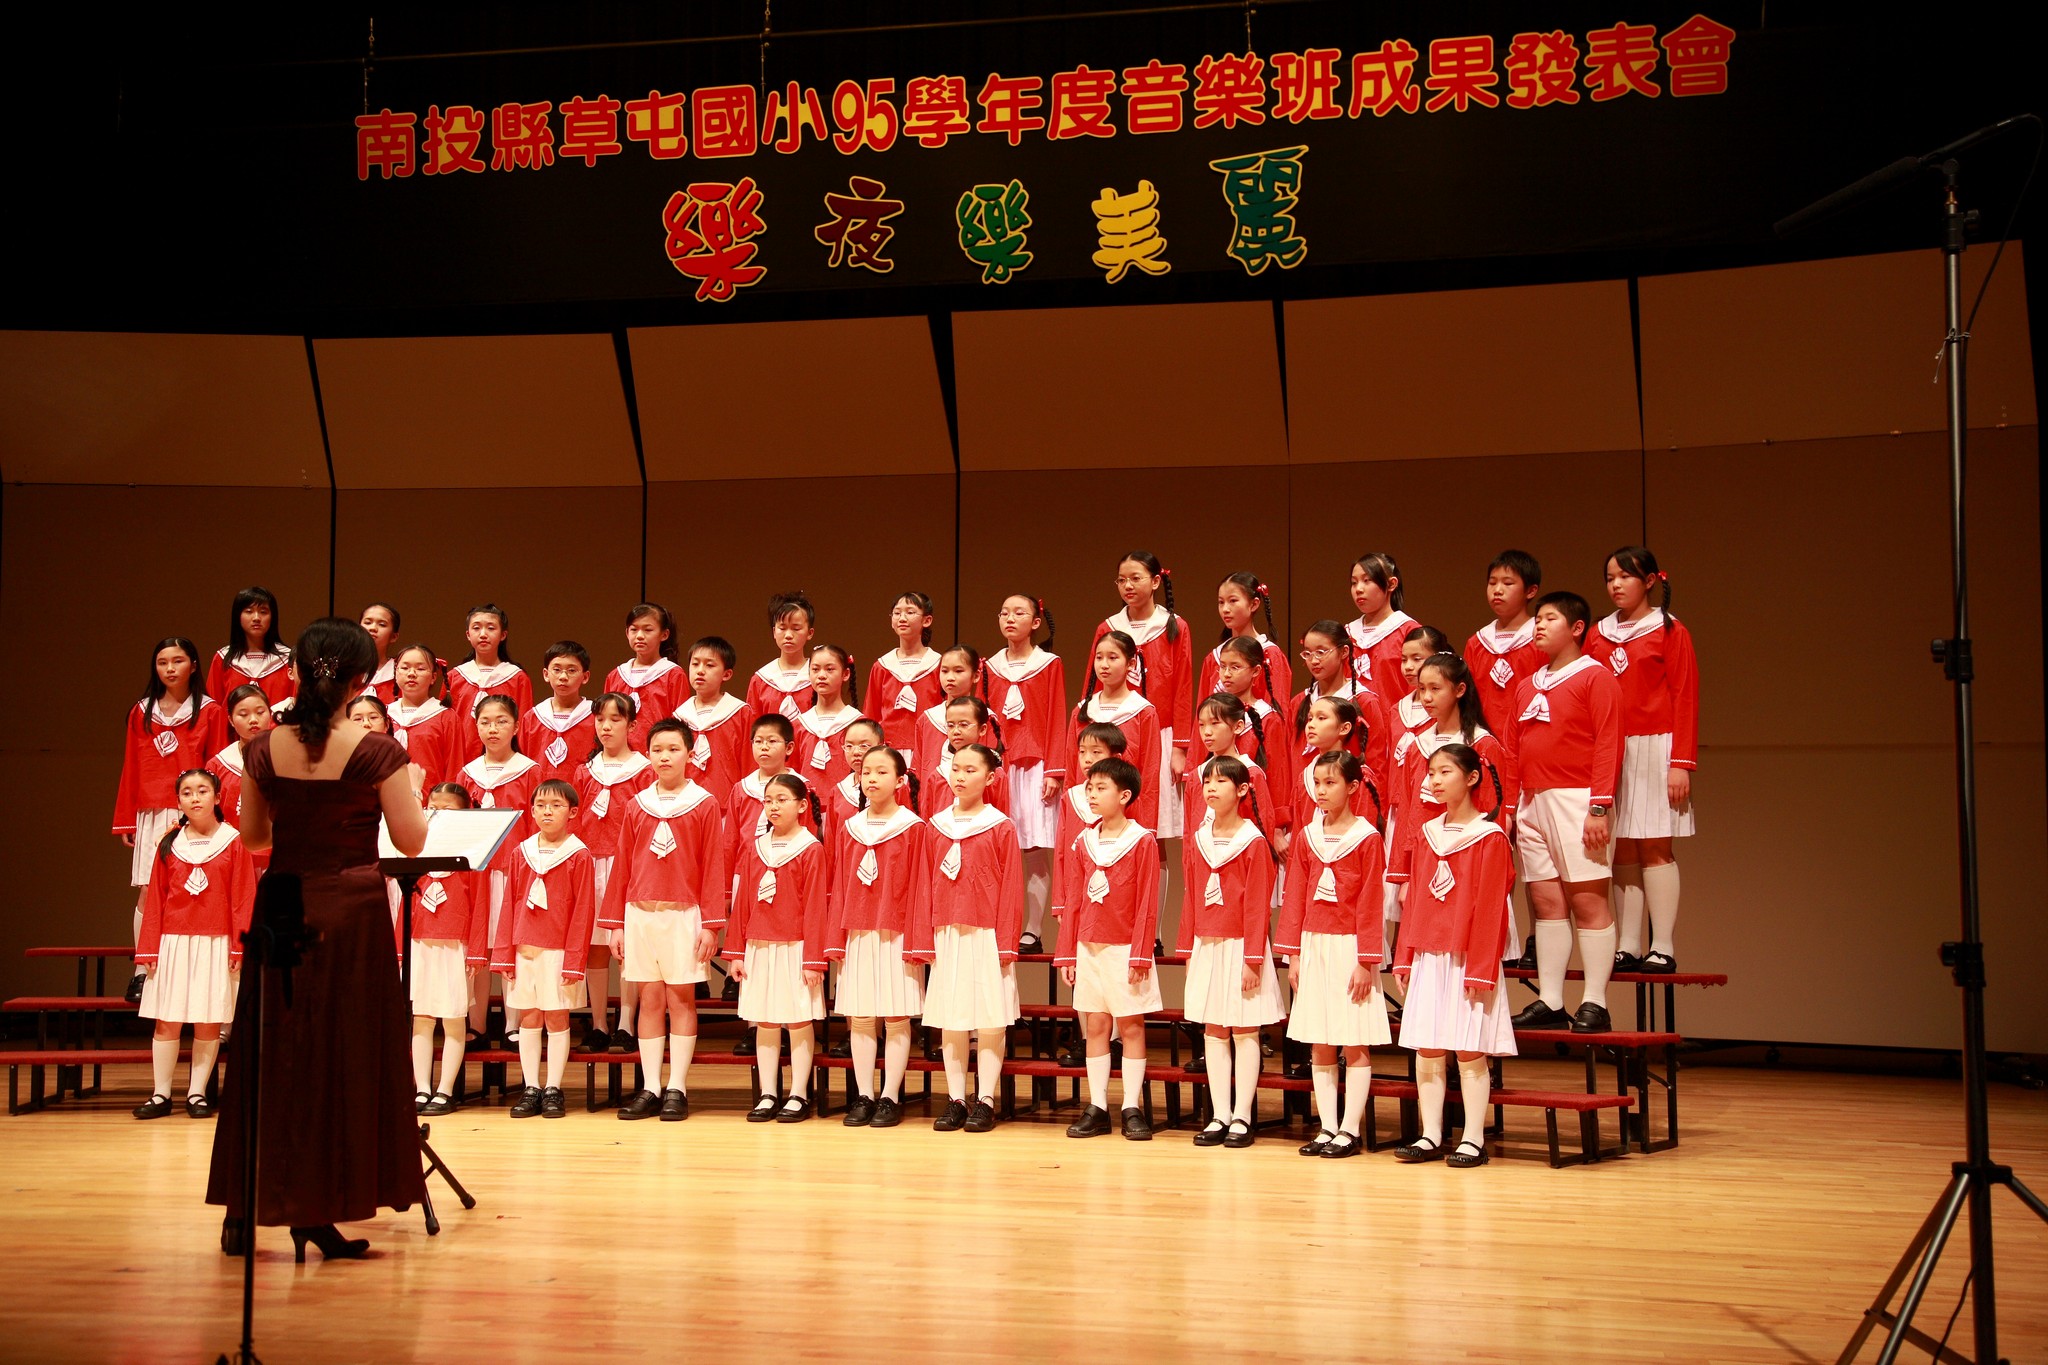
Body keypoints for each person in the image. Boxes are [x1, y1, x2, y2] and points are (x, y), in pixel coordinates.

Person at [207, 616, 429, 1263]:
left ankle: (245, 1207)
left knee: (271, 1053)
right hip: (351, 913)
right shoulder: (377, 750)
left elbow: (254, 838)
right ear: (361, 680)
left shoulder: (263, 748)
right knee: (340, 1056)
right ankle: (318, 1207)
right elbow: (411, 840)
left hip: (283, 904)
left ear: (299, 672)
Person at [1392, 745, 1517, 1169]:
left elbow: (1492, 909)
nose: (1435, 780)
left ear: (1472, 777)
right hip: (1429, 952)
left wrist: (1482, 970)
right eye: (1431, 773)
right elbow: (1414, 900)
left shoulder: (1490, 837)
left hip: (1468, 958)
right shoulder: (1427, 833)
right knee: (1427, 1047)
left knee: (1468, 1048)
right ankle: (1430, 1134)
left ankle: (1473, 1139)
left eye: (1445, 772)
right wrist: (1405, 955)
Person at [1508, 592, 1625, 1034]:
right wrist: (1511, 807)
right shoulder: (1526, 685)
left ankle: (1595, 1001)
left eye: (1549, 618)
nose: (1538, 625)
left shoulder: (1596, 677)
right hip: (1533, 800)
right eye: (1537, 619)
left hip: (1578, 799)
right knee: (1546, 902)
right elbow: (1513, 748)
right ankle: (1551, 1000)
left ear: (1576, 628)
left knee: (1588, 900)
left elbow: (1609, 742)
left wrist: (1599, 805)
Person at [600, 719, 726, 1120]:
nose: (665, 757)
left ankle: (677, 1087)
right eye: (657, 750)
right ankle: (651, 1086)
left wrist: (711, 925)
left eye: (673, 749)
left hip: (683, 914)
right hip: (640, 914)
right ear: (648, 755)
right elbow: (622, 865)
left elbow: (713, 866)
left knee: (680, 998)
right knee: (649, 998)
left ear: (689, 753)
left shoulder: (704, 803)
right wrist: (616, 924)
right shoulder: (637, 805)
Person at [1587, 546, 1698, 974]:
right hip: (1612, 747)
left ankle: (1662, 946)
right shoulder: (1597, 635)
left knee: (1655, 846)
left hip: (1656, 745)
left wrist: (1680, 763)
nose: (1616, 585)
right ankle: (1629, 944)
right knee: (1621, 847)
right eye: (1610, 578)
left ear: (1650, 581)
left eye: (1625, 577)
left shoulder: (1670, 631)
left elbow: (1685, 696)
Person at [1276, 750, 1389, 1158]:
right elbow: (1295, 896)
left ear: (1353, 786)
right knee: (1320, 1041)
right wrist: (1294, 955)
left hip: (1349, 947)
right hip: (1314, 944)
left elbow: (1371, 901)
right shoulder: (1307, 836)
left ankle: (1350, 1129)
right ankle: (1327, 1127)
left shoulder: (1367, 838)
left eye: (1331, 783)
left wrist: (1365, 960)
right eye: (1318, 783)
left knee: (1353, 1041)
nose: (1321, 791)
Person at [135, 769, 256, 1120]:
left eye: (202, 791)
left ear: (217, 797)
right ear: (178, 801)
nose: (195, 797)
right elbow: (156, 900)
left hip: (216, 942)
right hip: (172, 942)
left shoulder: (233, 841)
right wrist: (149, 948)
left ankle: (197, 1093)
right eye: (187, 792)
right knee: (167, 1020)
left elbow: (243, 898)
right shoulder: (169, 843)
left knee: (207, 1019)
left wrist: (239, 946)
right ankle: (160, 1094)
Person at [115, 637, 227, 1003]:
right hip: (151, 811)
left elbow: (216, 765)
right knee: (149, 891)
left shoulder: (209, 710)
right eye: (162, 662)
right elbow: (132, 766)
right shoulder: (142, 712)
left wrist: (216, 814)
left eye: (178, 661)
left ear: (193, 665)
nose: (170, 668)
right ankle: (141, 971)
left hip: (195, 811)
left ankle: (194, 973)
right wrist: (125, 820)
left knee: (194, 890)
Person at [1179, 755, 1281, 1149]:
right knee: (1214, 1029)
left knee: (1244, 1028)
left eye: (1221, 781)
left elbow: (1257, 906)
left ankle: (1242, 1116)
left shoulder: (1252, 842)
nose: (1211, 787)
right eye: (1207, 781)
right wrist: (1188, 949)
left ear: (1241, 790)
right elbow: (1191, 897)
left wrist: (1253, 959)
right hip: (1207, 943)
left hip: (1241, 946)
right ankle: (1220, 1114)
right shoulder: (1198, 839)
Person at [1057, 757, 1161, 1142]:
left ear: (1124, 795)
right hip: (1089, 947)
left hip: (1126, 948)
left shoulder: (1142, 840)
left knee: (1131, 1026)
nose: (1092, 795)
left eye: (1101, 788)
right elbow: (1073, 900)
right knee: (1096, 1025)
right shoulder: (1083, 842)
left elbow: (1147, 901)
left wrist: (1141, 953)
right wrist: (1067, 953)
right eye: (1090, 788)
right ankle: (1098, 1106)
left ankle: (1131, 1106)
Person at [827, 746, 931, 1128]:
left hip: (896, 933)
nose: (871, 778)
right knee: (860, 1016)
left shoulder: (913, 827)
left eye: (882, 772)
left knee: (896, 1015)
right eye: (866, 772)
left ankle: (890, 1096)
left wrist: (918, 940)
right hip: (858, 932)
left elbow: (921, 887)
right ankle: (864, 1095)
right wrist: (835, 936)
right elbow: (840, 884)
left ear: (900, 780)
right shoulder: (850, 828)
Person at [924, 744, 1023, 1134]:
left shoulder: (1000, 826)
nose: (960, 776)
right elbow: (923, 884)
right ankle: (956, 1099)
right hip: (946, 930)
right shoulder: (935, 825)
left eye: (970, 770)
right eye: (956, 769)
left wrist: (1007, 940)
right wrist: (923, 936)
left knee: (990, 1018)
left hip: (987, 933)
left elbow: (1011, 887)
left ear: (990, 777)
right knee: (952, 1017)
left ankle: (986, 1100)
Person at [726, 775, 831, 1124]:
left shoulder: (811, 849)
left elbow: (815, 908)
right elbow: (743, 902)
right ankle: (768, 1092)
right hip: (759, 945)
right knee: (766, 1021)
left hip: (795, 947)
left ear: (801, 805)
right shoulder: (756, 847)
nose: (773, 806)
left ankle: (799, 1093)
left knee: (798, 1020)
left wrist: (813, 959)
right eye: (768, 800)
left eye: (782, 799)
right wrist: (736, 951)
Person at [493, 780, 597, 1120]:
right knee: (529, 1017)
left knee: (556, 1016)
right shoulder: (520, 853)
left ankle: (553, 1088)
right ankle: (531, 1087)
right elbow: (509, 905)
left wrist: (574, 961)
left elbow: (583, 911)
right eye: (540, 805)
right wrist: (504, 953)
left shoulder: (579, 855)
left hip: (559, 951)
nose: (547, 812)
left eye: (555, 805)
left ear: (572, 812)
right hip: (524, 948)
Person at [985, 594, 1064, 967]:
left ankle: (1032, 930)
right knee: (994, 850)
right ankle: (997, 925)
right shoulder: (989, 666)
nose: (1009, 618)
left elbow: (1056, 714)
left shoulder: (1048, 664)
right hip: (998, 764)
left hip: (1035, 766)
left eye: (1019, 613)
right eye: (1004, 612)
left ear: (1035, 622)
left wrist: (1054, 770)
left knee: (1032, 849)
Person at [574, 693, 654, 1049]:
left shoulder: (644, 770)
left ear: (632, 725)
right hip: (590, 864)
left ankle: (626, 1023)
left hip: (627, 867)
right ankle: (598, 1023)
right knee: (595, 947)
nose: (606, 726)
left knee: (625, 946)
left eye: (615, 719)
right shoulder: (584, 771)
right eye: (600, 719)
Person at [460, 695, 541, 1041]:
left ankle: (513, 1025)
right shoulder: (467, 774)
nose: (493, 729)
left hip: (514, 873)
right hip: (476, 873)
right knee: (477, 946)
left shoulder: (530, 770)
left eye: (501, 721)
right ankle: (476, 1025)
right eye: (485, 722)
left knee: (513, 947)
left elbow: (537, 825)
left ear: (516, 726)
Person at [1095, 552, 1193, 835]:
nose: (1128, 585)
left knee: (1152, 828)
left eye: (1135, 578)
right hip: (1113, 734)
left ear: (1156, 581)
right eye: (1121, 580)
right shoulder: (1108, 628)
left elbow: (1183, 688)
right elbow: (1095, 684)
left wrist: (1179, 748)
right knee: (1108, 822)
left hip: (1159, 736)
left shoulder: (1174, 626)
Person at [409, 783, 486, 1116]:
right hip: (420, 943)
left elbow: (480, 905)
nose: (437, 814)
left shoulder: (473, 853)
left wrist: (477, 950)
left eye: (447, 809)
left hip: (456, 945)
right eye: (432, 807)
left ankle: (445, 1090)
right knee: (422, 1018)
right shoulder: (415, 849)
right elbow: (404, 902)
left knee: (454, 1019)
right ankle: (422, 1089)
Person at [1064, 629, 1163, 833]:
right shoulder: (1082, 712)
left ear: (1131, 664)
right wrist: (1070, 812)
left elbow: (1150, 772)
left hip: (1127, 813)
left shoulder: (1143, 712)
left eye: (1112, 657)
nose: (1104, 665)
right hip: (1085, 810)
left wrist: (1147, 826)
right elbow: (1071, 768)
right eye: (1099, 657)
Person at [1289, 619, 1392, 802]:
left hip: (1350, 802)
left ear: (1344, 651)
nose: (1314, 660)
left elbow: (1377, 763)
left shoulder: (1364, 701)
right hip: (1305, 799)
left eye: (1321, 652)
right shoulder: (1299, 702)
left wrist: (1375, 808)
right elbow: (1290, 760)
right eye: (1308, 653)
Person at [1465, 551, 1546, 738]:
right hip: (1484, 739)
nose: (1497, 590)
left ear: (1531, 591)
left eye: (1508, 583)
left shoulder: (1541, 639)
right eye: (1492, 582)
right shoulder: (1476, 643)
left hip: (1529, 736)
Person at [445, 604, 531, 763]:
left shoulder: (517, 678)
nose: (483, 634)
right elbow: (446, 725)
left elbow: (524, 727)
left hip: (506, 761)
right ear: (468, 634)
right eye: (476, 628)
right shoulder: (454, 677)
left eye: (491, 628)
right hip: (461, 759)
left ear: (503, 635)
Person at [209, 685, 278, 878]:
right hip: (236, 857)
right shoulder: (219, 765)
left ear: (270, 714)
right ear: (231, 720)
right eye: (243, 714)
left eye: (260, 712)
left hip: (280, 854)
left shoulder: (285, 756)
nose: (253, 720)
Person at [676, 636, 752, 809]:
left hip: (727, 805)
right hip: (686, 805)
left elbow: (748, 762)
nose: (700, 671)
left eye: (709, 665)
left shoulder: (740, 713)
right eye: (695, 664)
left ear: (727, 674)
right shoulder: (679, 717)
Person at [867, 592, 944, 761]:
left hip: (928, 747)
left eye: (910, 612)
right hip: (887, 750)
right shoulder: (882, 666)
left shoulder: (939, 665)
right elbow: (871, 713)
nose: (902, 618)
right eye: (897, 613)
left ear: (927, 620)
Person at [1197, 572, 1291, 705]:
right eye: (1221, 602)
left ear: (1254, 604)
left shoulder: (1269, 654)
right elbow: (1202, 709)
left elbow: (1278, 708)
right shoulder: (1214, 658)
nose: (1225, 609)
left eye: (1233, 601)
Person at [605, 603, 686, 752]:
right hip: (620, 756)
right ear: (627, 633)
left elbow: (680, 723)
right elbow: (605, 718)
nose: (640, 636)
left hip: (658, 756)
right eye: (634, 629)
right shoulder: (615, 675)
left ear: (664, 634)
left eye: (648, 630)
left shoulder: (673, 674)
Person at [387, 644, 461, 799]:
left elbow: (454, 766)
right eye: (405, 668)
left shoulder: (446, 716)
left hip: (432, 803)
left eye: (420, 669)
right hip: (387, 801)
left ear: (433, 677)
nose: (411, 674)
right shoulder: (384, 715)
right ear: (396, 673)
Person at [920, 695, 1010, 819]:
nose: (956, 731)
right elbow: (929, 821)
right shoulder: (938, 776)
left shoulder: (995, 775)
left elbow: (1001, 820)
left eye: (963, 725)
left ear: (982, 729)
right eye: (950, 725)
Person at [1346, 552, 1416, 710]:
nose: (1358, 589)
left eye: (1367, 580)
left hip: (1395, 721)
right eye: (1354, 583)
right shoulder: (1346, 634)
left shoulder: (1411, 632)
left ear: (1391, 584)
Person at [521, 641, 597, 786]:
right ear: (546, 674)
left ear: (585, 677)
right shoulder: (532, 718)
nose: (563, 676)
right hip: (539, 795)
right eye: (557, 669)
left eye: (572, 670)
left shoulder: (595, 716)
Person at [793, 644, 866, 789]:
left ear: (845, 674)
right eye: (815, 669)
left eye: (829, 669)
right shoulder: (799, 724)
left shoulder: (859, 724)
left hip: (846, 800)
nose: (821, 675)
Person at [207, 587, 293, 709]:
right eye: (249, 611)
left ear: (273, 617)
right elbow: (213, 708)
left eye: (263, 612)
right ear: (238, 616)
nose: (256, 618)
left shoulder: (288, 659)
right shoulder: (223, 658)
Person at [745, 591, 817, 721]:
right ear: (774, 631)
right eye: (782, 628)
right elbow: (753, 725)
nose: (788, 635)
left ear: (810, 633)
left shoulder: (817, 676)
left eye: (796, 628)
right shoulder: (761, 679)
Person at [358, 602, 403, 701]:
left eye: (382, 624)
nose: (373, 628)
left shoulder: (401, 672)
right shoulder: (345, 670)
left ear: (394, 636)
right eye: (367, 623)